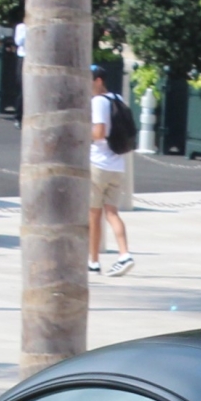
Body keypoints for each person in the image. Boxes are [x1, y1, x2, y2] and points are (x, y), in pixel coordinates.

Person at [87, 67, 134, 275]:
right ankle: (124, 254)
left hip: (98, 164)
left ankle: (93, 261)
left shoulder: (98, 101)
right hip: (117, 165)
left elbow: (99, 132)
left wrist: (81, 134)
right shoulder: (117, 98)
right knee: (112, 213)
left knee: (93, 215)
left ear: (98, 81)